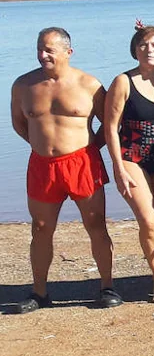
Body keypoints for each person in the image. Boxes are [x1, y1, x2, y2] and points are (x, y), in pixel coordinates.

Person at [11, 27, 121, 312]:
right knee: (41, 228)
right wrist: (40, 145)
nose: (43, 54)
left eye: (49, 49)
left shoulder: (89, 84)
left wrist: (93, 148)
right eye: (40, 48)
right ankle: (39, 292)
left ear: (67, 52)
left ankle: (107, 287)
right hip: (42, 166)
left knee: (96, 225)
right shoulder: (23, 85)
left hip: (82, 162)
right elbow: (19, 124)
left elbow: (110, 124)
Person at [103, 23, 154, 301]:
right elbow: (110, 128)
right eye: (143, 45)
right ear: (135, 49)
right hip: (131, 156)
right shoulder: (123, 81)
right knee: (149, 221)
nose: (149, 50)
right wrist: (117, 166)